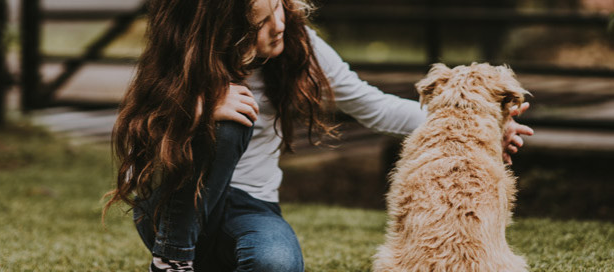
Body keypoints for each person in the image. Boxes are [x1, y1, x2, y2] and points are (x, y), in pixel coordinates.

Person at [102, 0, 534, 271]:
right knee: (231, 118)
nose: (280, 24)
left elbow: (374, 105)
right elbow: (138, 128)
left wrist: (475, 122)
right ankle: (173, 258)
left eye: (279, 9)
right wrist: (197, 107)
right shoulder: (183, 54)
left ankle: (199, 260)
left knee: (276, 264)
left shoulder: (299, 43)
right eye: (261, 20)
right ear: (226, 27)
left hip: (250, 206)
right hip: (174, 202)